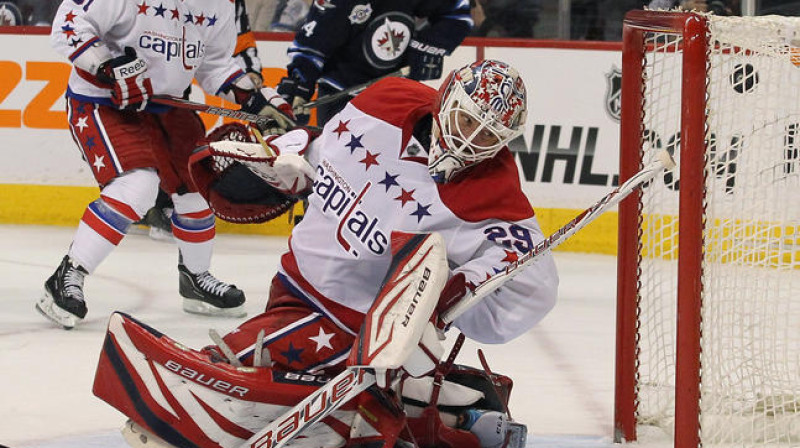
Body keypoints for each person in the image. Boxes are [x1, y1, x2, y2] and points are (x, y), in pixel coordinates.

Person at [92, 58, 559, 448]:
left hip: (352, 320)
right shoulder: (386, 100)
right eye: (465, 120)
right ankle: (449, 415)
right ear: (446, 100)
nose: (469, 140)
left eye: (487, 135)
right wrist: (288, 154)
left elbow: (533, 278)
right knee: (297, 376)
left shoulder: (491, 191)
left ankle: (442, 417)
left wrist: (447, 292)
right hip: (295, 281)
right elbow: (321, 147)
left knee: (244, 357)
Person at [39, 0, 295, 329]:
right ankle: (67, 275)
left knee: (198, 188)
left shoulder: (219, 6)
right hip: (104, 101)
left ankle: (195, 279)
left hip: (169, 105)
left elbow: (215, 66)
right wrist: (108, 67)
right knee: (138, 187)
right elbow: (68, 24)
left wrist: (257, 100)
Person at [133, 0, 266, 241]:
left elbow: (239, 35)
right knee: (141, 149)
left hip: (172, 85)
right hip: (134, 79)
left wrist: (249, 71)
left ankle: (168, 207)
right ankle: (144, 206)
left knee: (180, 143)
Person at [276, 0, 474, 127]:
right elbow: (312, 46)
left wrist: (423, 48)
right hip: (340, 97)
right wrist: (299, 85)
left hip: (394, 96)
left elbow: (457, 14)